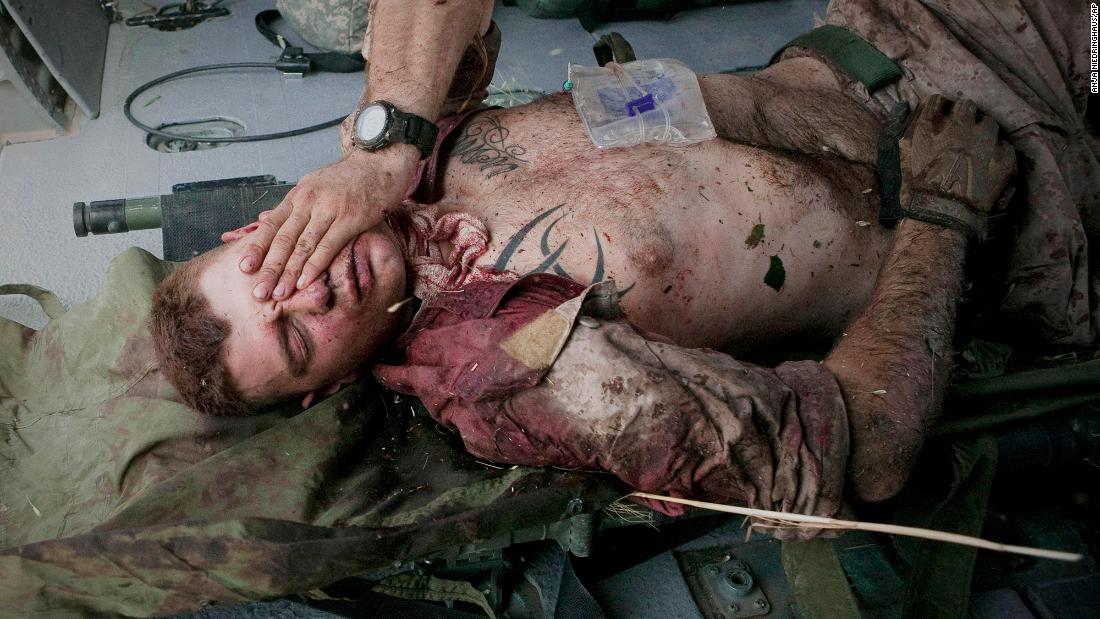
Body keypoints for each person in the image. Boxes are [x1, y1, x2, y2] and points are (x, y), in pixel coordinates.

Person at [150, 41, 1015, 525]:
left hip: (879, 44)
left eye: (273, 270)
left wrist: (383, 142)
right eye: (297, 337)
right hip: (1012, 185)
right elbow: (864, 451)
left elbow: (699, 100)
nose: (315, 290)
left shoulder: (398, 137)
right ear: (325, 388)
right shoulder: (501, 364)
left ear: (252, 227)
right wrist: (948, 209)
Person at [238, 0, 497, 305]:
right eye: (300, 345)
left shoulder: (389, 154)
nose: (317, 294)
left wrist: (379, 157)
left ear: (256, 229)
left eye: (283, 277)